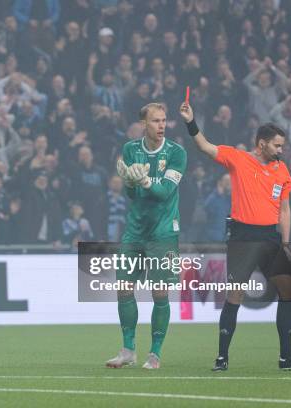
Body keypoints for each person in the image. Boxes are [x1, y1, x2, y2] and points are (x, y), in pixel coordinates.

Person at [179, 100, 291, 371]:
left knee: (287, 291)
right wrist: (190, 122)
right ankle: (222, 357)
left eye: (282, 146)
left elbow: (285, 210)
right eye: (277, 145)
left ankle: (286, 357)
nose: (281, 150)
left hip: (270, 238)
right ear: (262, 143)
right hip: (243, 237)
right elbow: (205, 146)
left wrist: (285, 243)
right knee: (235, 296)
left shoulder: (282, 171)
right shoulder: (238, 158)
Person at [106, 103, 187, 370]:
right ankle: (128, 350)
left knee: (160, 292)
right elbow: (132, 197)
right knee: (123, 289)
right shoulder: (131, 149)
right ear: (144, 123)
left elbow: (164, 192)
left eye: (164, 120)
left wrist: (144, 181)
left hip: (163, 232)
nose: (162, 125)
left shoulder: (177, 153)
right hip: (135, 231)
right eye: (155, 121)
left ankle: (155, 354)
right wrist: (129, 183)